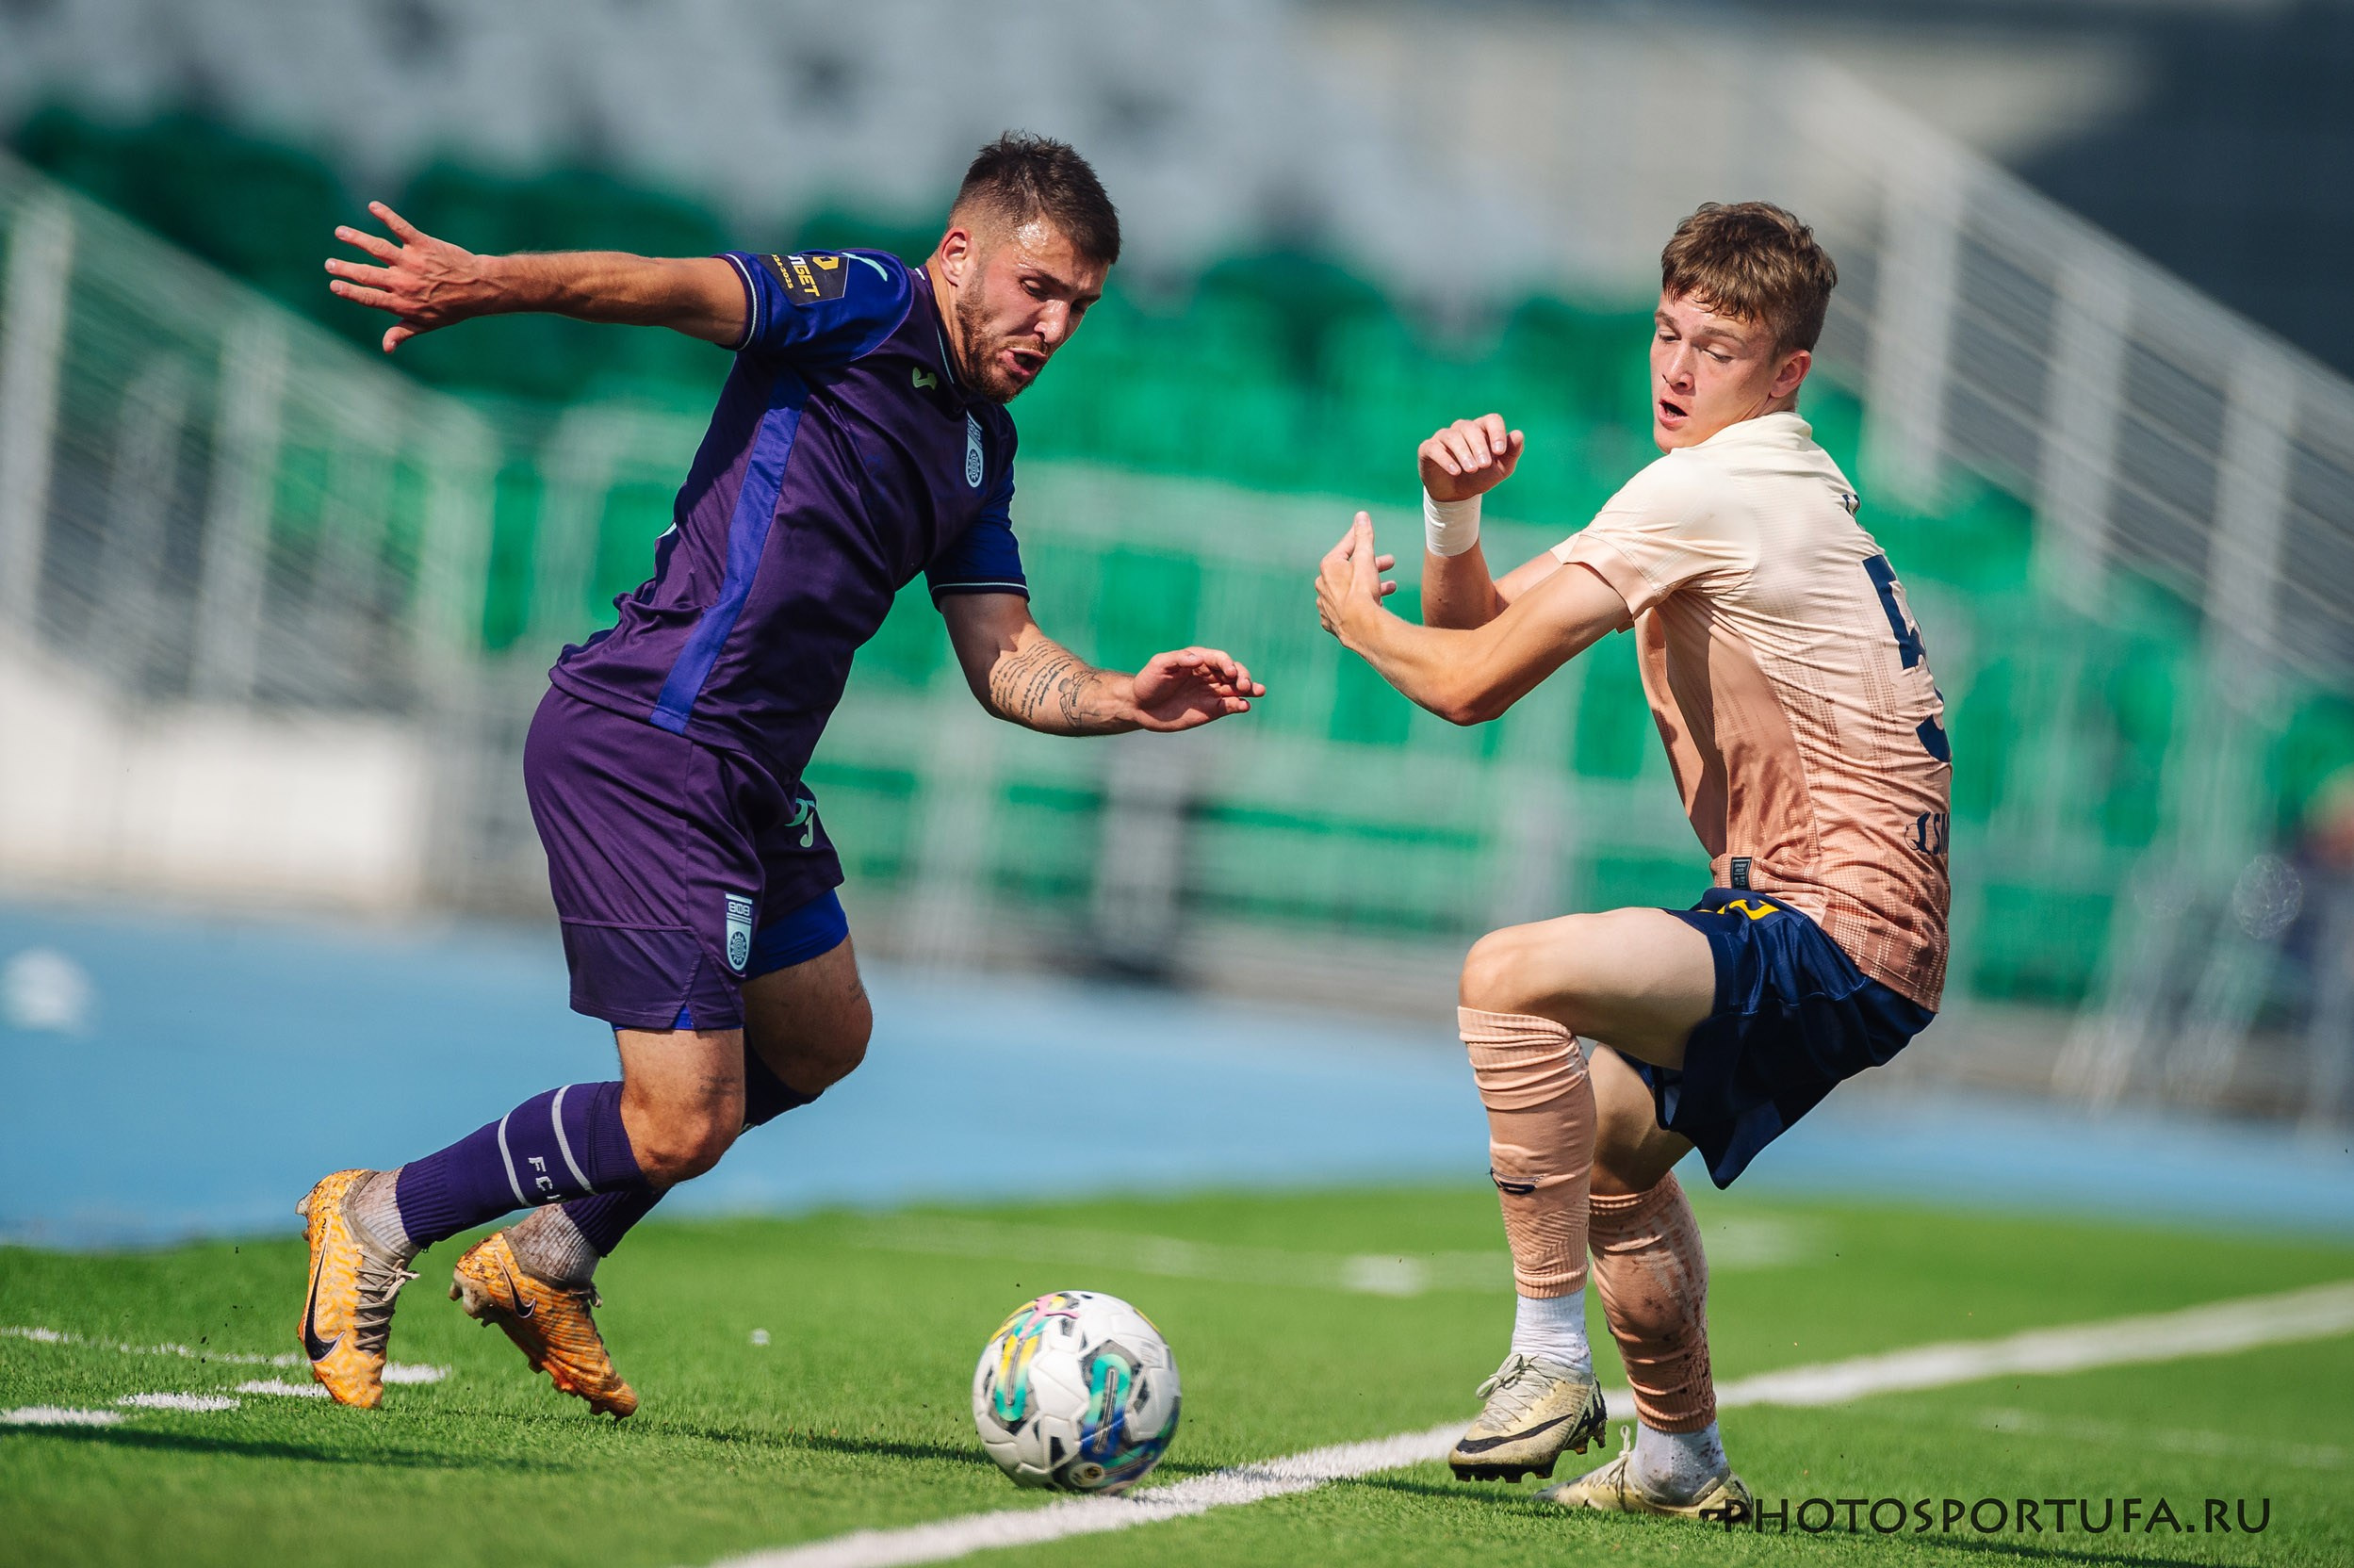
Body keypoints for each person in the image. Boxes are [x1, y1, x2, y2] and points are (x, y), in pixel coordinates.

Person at [297, 133, 1265, 1417]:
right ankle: (378, 1215)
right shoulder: (864, 302)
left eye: (1078, 305)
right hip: (647, 740)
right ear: (961, 254)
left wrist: (1124, 701)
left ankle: (549, 1254)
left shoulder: (982, 447)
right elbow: (666, 286)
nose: (1054, 323)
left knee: (820, 1036)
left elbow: (1006, 656)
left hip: (747, 774)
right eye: (1038, 288)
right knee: (680, 1121)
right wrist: (490, 282)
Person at [1315, 202, 1950, 1522]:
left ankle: (1548, 1366)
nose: (1674, 368)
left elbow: (1465, 681)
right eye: (1665, 333)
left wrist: (1352, 622)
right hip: (1837, 930)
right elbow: (1486, 625)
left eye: (1716, 348)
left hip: (1823, 927)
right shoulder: (1754, 481)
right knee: (1597, 1154)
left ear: (1784, 376)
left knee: (1506, 974)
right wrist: (1450, 519)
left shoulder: (1711, 487)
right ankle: (1677, 1458)